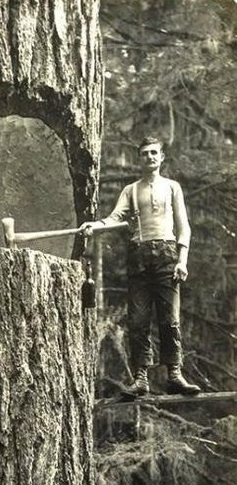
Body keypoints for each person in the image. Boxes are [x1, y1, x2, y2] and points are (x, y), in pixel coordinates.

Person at [80, 136, 200, 397]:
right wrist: (94, 226)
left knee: (170, 319)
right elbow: (113, 218)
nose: (150, 157)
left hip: (167, 256)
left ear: (161, 157)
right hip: (139, 259)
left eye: (154, 153)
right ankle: (141, 379)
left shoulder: (172, 187)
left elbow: (184, 227)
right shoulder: (131, 190)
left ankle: (175, 375)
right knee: (138, 321)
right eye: (145, 153)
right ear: (139, 158)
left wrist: (182, 261)